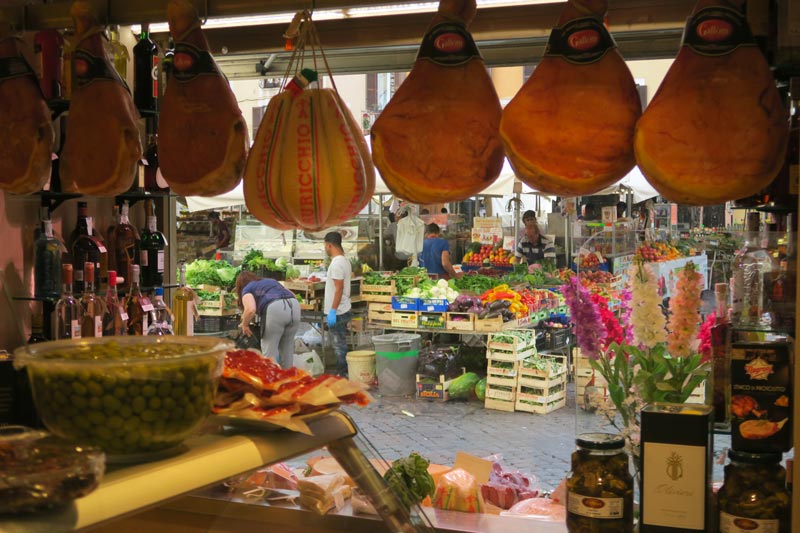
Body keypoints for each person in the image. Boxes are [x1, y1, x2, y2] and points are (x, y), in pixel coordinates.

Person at [235, 270, 300, 368]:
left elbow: (250, 310)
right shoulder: (271, 281)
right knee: (287, 350)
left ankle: (271, 380)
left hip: (275, 309)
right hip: (294, 306)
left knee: (270, 352)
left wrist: (244, 324)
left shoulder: (247, 288)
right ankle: (288, 379)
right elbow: (293, 295)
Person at [324, 231, 352, 376]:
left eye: (325, 246)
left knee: (339, 344)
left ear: (329, 245)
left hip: (339, 310)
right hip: (344, 307)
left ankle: (342, 373)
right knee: (340, 342)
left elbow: (339, 288)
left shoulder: (337, 264)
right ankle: (343, 371)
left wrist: (333, 310)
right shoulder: (345, 260)